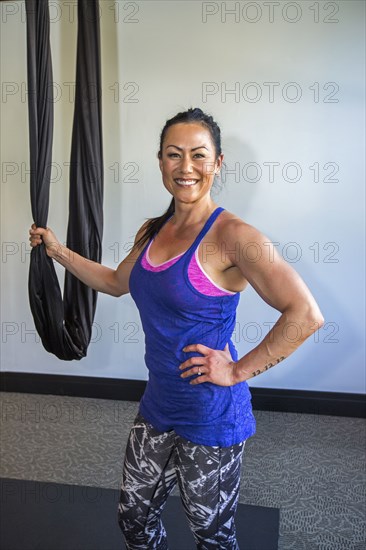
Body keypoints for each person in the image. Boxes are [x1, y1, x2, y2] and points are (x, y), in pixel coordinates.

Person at [29, 107, 324, 549]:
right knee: (134, 518)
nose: (186, 167)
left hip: (211, 416)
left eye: (199, 155)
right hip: (158, 404)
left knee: (211, 535)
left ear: (218, 163)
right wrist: (57, 252)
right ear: (161, 161)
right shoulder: (154, 230)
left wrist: (238, 370)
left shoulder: (235, 236)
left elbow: (305, 315)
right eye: (173, 155)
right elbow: (114, 283)